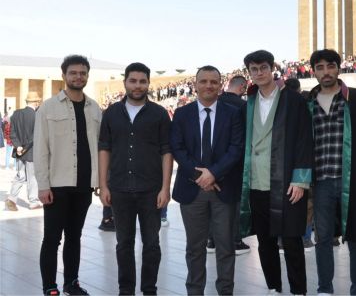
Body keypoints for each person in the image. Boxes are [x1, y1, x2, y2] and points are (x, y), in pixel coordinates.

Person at [238, 50, 312, 295]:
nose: (259, 73)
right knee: (265, 241)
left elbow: (304, 140)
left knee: (291, 240)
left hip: (287, 181)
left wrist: (300, 179)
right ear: (249, 73)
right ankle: (273, 287)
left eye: (263, 68)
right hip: (257, 181)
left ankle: (298, 290)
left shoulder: (294, 100)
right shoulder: (248, 103)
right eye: (253, 69)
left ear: (272, 69)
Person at [307, 49, 356, 295]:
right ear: (313, 71)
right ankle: (324, 288)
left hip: (353, 179)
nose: (325, 72)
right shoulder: (309, 100)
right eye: (320, 67)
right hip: (321, 181)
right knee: (323, 239)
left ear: (338, 68)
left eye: (330, 66)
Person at [99, 63, 173, 295]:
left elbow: (166, 151)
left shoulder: (159, 113)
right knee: (123, 244)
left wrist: (165, 187)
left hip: (151, 190)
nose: (138, 85)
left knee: (151, 244)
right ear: (125, 82)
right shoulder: (111, 113)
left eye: (142, 81)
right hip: (120, 188)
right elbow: (104, 149)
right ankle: (126, 290)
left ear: (148, 83)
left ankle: (149, 290)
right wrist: (103, 185)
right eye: (133, 81)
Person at [170, 65, 243, 295]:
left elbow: (236, 148)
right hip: (192, 190)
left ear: (221, 85)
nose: (209, 85)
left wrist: (213, 173)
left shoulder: (233, 113)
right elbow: (177, 148)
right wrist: (199, 175)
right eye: (204, 81)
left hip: (224, 188)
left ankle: (225, 291)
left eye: (214, 81)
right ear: (195, 84)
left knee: (225, 247)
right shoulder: (182, 114)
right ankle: (194, 291)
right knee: (195, 248)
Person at [34, 55, 101, 295]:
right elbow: (41, 148)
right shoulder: (48, 107)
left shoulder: (95, 108)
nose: (78, 77)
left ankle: (71, 282)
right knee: (52, 238)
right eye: (73, 73)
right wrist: (43, 185)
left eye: (82, 73)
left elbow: (99, 148)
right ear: (64, 75)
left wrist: (101, 182)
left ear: (87, 76)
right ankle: (50, 286)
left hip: (84, 185)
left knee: (75, 237)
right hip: (57, 185)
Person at [207, 74, 252, 255]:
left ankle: (212, 240)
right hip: (236, 163)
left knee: (213, 201)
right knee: (234, 203)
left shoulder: (214, 102)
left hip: (213, 164)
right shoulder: (243, 106)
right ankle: (235, 240)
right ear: (242, 87)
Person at [5, 91, 42, 211]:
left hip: (20, 152)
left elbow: (12, 133)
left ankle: (11, 199)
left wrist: (18, 146)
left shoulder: (16, 114)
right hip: (31, 152)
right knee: (32, 177)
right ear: (36, 102)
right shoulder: (37, 116)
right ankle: (33, 202)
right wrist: (25, 147)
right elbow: (35, 137)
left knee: (20, 176)